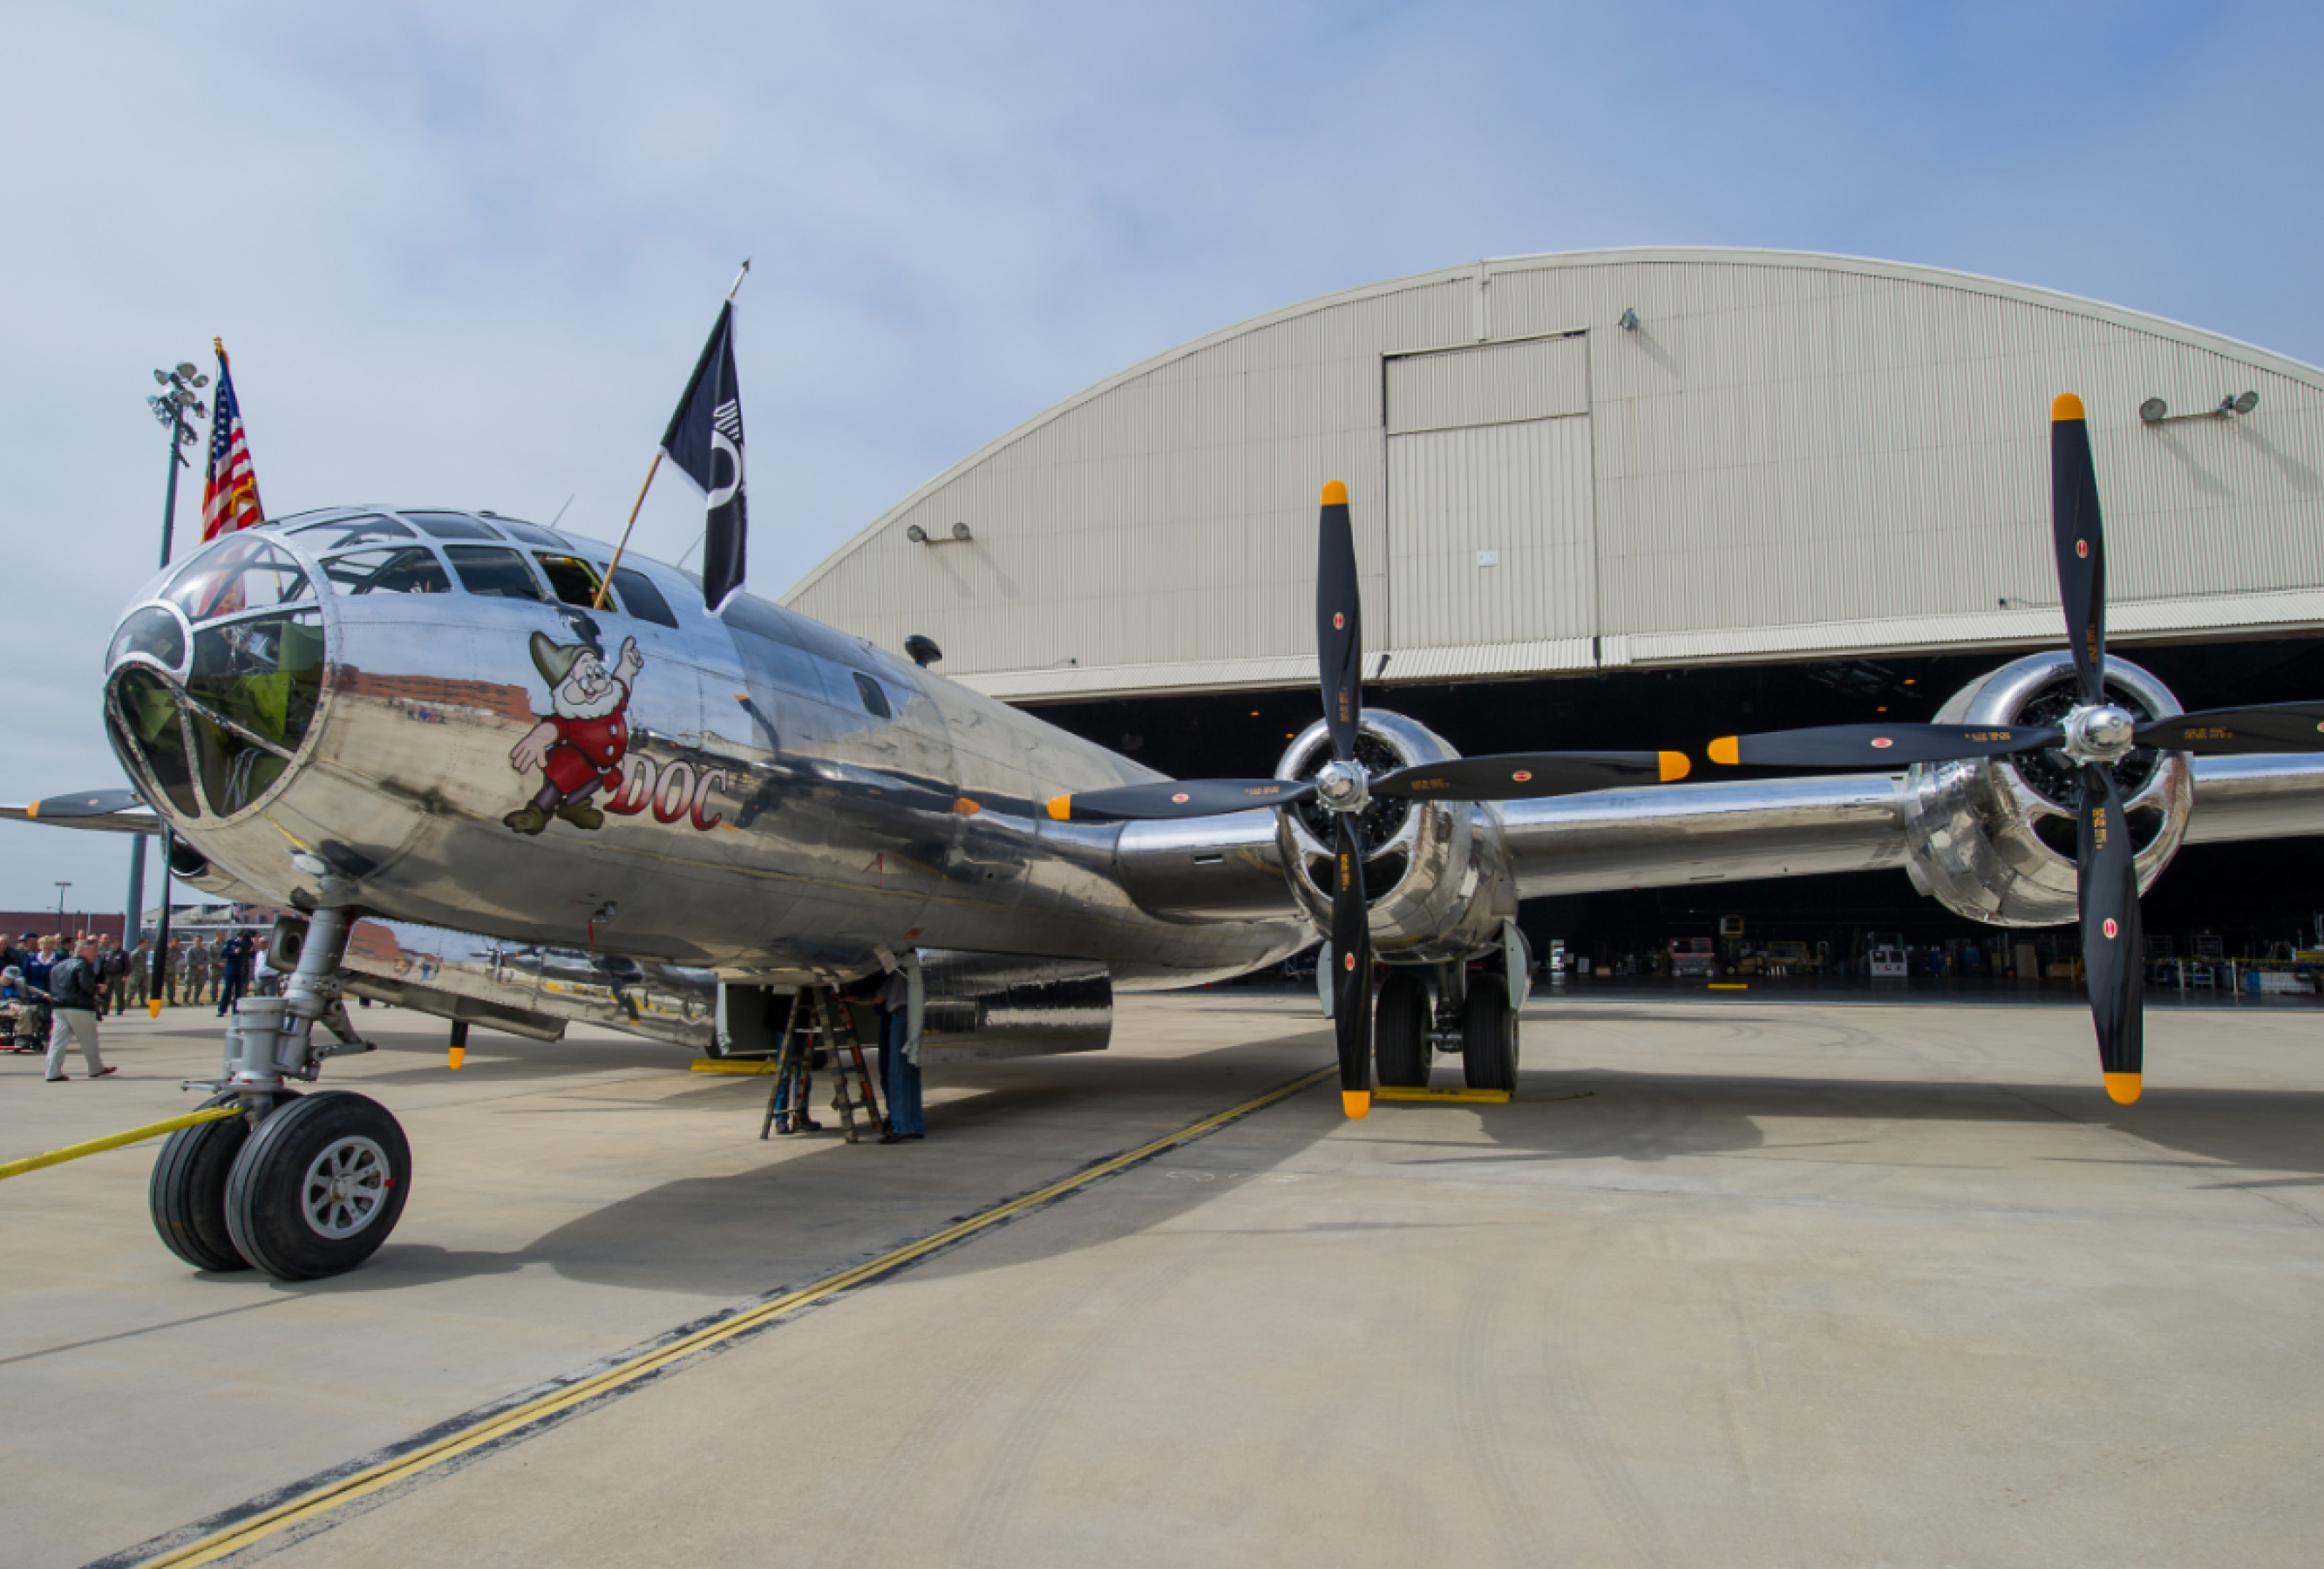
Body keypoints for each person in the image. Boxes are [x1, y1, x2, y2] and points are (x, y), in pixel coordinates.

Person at [44, 939, 114, 1081]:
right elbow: (86, 985)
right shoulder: (83, 965)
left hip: (59, 1006)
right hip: (79, 1006)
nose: (96, 954)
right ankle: (95, 1068)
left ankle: (52, 1072)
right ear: (84, 950)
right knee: (89, 1039)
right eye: (94, 951)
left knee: (58, 1041)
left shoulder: (58, 966)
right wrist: (98, 988)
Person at [875, 962, 923, 1144]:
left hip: (899, 1015)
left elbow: (878, 998)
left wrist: (848, 997)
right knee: (911, 1073)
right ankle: (915, 1125)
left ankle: (901, 1126)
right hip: (915, 1015)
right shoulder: (912, 966)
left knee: (896, 1074)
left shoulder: (893, 968)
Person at [3, 967, 49, 1054]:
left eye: (11, 979)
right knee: (25, 1010)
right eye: (7, 978)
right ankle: (21, 1036)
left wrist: (43, 994)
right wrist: (8, 1004)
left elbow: (29, 988)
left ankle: (32, 1033)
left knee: (35, 1009)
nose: (9, 980)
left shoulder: (17, 983)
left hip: (19, 1004)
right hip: (4, 1007)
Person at [216, 934, 252, 1015]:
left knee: (238, 991)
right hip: (231, 969)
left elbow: (251, 954)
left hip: (241, 969)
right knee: (227, 990)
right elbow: (223, 953)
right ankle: (222, 1010)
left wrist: (250, 950)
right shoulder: (231, 942)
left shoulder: (247, 943)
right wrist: (233, 952)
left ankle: (236, 1010)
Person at [126, 939, 153, 1013]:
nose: (147, 944)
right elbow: (131, 963)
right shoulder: (135, 953)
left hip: (143, 973)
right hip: (136, 973)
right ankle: (128, 1001)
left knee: (144, 988)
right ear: (141, 943)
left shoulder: (144, 952)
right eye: (145, 943)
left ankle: (142, 1002)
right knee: (133, 988)